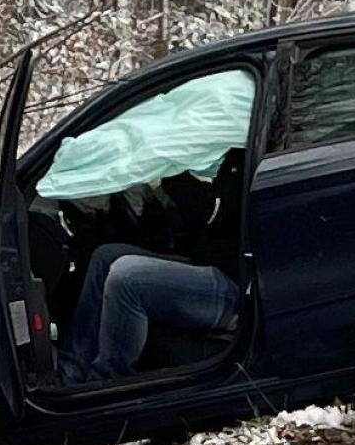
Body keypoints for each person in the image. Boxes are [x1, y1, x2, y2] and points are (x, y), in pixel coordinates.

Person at [57, 154, 243, 386]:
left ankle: (107, 383)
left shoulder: (251, 162)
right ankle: (71, 374)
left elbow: (211, 212)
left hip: (235, 284)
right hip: (207, 262)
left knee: (126, 277)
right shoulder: (232, 159)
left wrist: (169, 175)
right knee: (106, 256)